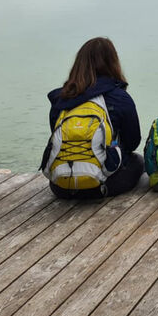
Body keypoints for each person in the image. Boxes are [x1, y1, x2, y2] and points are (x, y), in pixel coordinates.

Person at [42, 37, 143, 199]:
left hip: (62, 186)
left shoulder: (61, 98)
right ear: (113, 63)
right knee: (137, 161)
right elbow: (132, 142)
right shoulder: (119, 97)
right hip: (105, 184)